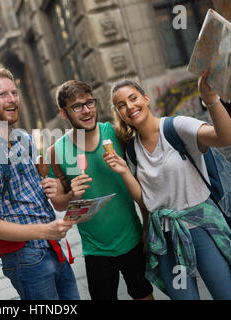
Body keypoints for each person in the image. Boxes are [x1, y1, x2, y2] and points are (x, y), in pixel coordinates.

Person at [104, 73, 231, 300]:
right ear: (119, 114)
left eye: (133, 98)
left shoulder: (177, 126)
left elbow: (226, 138)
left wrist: (211, 99)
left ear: (146, 98)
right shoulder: (133, 150)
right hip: (167, 239)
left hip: (202, 230)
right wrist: (124, 171)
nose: (129, 107)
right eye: (121, 105)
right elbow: (147, 201)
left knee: (227, 294)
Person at [0, 68, 80, 300]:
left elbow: (29, 193)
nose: (12, 100)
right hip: (26, 258)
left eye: (14, 93)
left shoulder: (23, 140)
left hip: (52, 246)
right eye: (2, 95)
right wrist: (45, 230)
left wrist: (50, 188)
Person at [47, 80, 154, 300]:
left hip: (133, 238)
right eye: (77, 106)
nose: (86, 110)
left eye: (89, 103)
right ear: (64, 113)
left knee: (144, 295)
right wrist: (70, 195)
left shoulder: (117, 135)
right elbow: (58, 202)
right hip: (96, 250)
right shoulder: (57, 152)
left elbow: (142, 185)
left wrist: (146, 227)